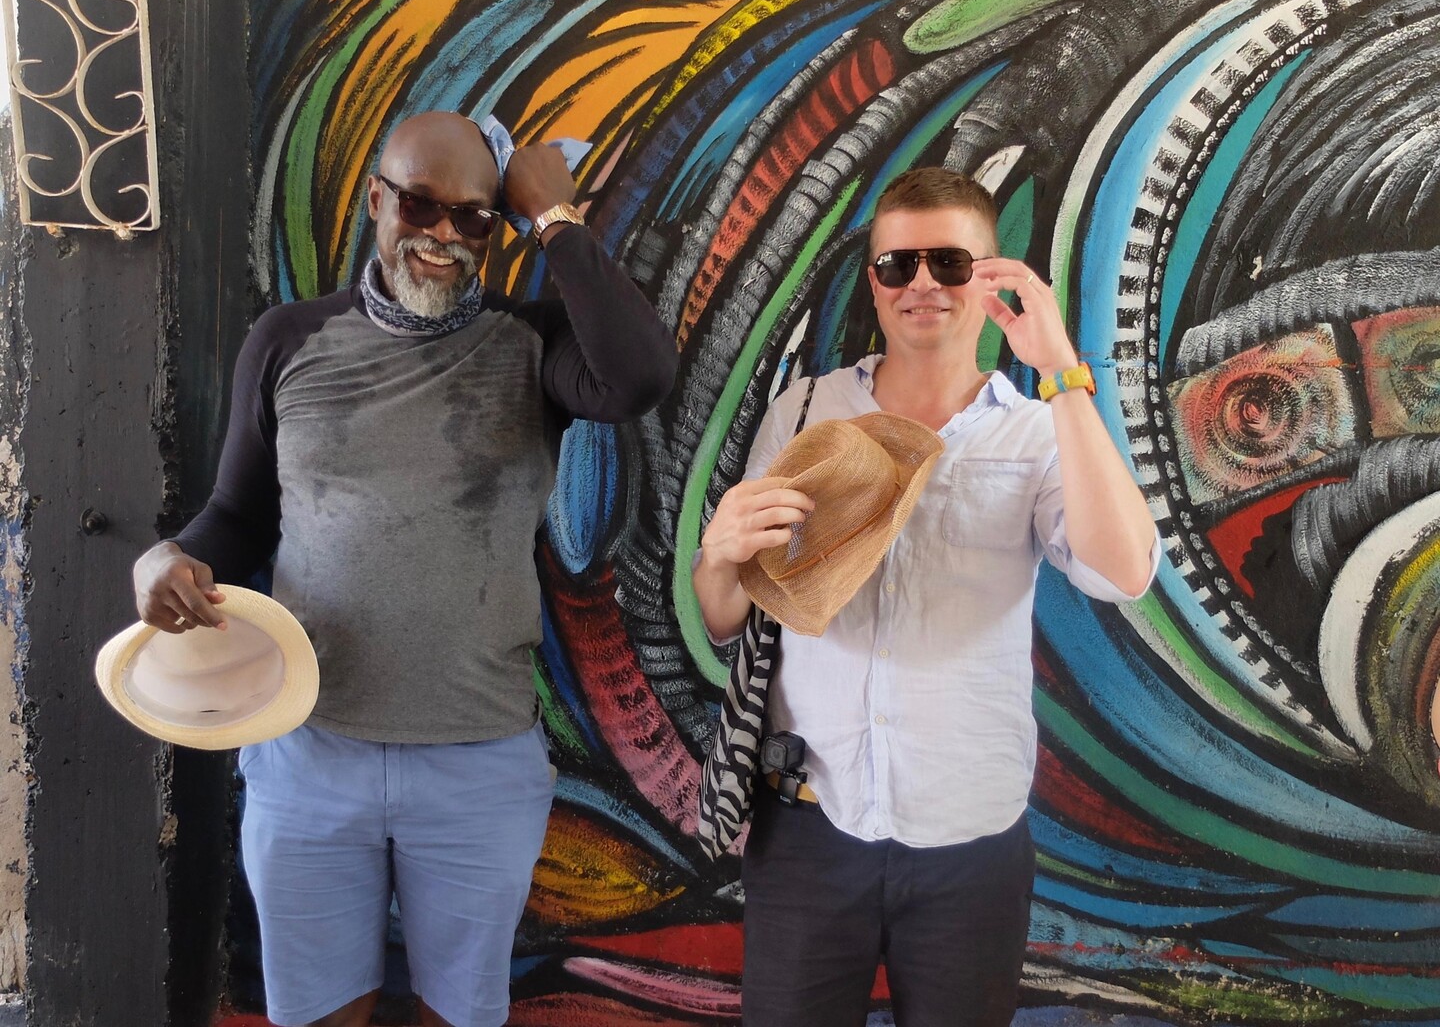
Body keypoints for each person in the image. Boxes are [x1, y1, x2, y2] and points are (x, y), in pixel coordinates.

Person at [131, 111, 677, 1027]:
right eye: (421, 205)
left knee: (459, 1014)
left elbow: (640, 378)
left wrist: (555, 220)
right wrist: (167, 554)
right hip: (309, 749)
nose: (443, 236)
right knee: (315, 1014)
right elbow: (238, 515)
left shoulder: (531, 344)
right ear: (378, 200)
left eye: (473, 218)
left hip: (478, 761)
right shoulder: (288, 340)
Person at [693, 167, 1159, 1026]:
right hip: (807, 830)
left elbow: (1123, 572)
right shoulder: (805, 412)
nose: (921, 286)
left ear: (992, 281)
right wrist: (717, 560)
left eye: (950, 263)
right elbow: (732, 617)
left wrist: (1060, 372)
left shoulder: (1037, 429)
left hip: (969, 846)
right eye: (896, 265)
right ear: (871, 281)